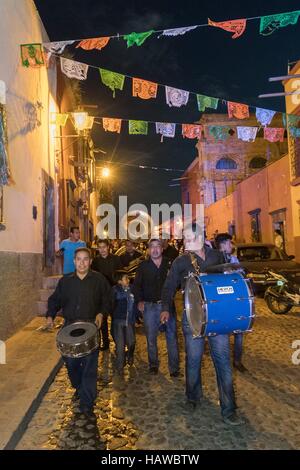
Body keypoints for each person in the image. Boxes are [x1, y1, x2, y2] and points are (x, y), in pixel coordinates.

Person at [161, 223, 244, 426]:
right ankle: (192, 397)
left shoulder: (217, 256)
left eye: (189, 237)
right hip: (192, 318)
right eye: (185, 238)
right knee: (194, 359)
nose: (186, 241)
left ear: (201, 237)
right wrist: (165, 307)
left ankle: (228, 408)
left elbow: (227, 281)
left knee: (223, 360)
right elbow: (169, 286)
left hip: (217, 318)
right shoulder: (181, 262)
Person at [46, 248, 111, 417]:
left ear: (90, 261)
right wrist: (50, 316)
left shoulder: (99, 279)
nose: (82, 263)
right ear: (74, 261)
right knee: (71, 363)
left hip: (91, 326)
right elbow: (55, 300)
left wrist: (101, 313)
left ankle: (87, 403)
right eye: (79, 259)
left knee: (90, 367)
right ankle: (78, 387)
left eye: (85, 259)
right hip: (70, 327)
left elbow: (107, 299)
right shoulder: (65, 281)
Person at [132, 239, 179, 376]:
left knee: (172, 338)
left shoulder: (170, 264)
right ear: (148, 250)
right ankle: (153, 364)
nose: (155, 249)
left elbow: (177, 282)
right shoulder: (143, 266)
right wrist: (139, 301)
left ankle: (174, 369)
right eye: (151, 247)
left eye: (157, 246)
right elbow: (136, 286)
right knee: (151, 338)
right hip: (150, 307)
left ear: (162, 248)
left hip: (168, 306)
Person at [215, 232, 247, 373]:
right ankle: (223, 360)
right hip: (223, 300)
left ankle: (237, 361)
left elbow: (241, 273)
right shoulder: (215, 260)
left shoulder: (233, 258)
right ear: (222, 245)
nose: (231, 245)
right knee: (223, 332)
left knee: (239, 330)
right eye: (229, 243)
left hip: (236, 298)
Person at [91, 239, 122, 351]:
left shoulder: (116, 259)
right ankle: (105, 342)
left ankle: (118, 340)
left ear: (108, 247)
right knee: (102, 318)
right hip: (101, 294)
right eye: (100, 247)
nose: (102, 249)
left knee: (115, 317)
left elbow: (120, 274)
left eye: (104, 247)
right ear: (97, 248)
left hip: (114, 292)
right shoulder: (95, 261)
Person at [111, 273, 136, 374]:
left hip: (129, 321)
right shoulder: (115, 290)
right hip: (118, 321)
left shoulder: (132, 289)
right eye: (125, 278)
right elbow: (110, 304)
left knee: (131, 342)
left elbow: (137, 301)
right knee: (120, 345)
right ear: (119, 281)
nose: (128, 280)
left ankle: (130, 354)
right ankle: (120, 366)